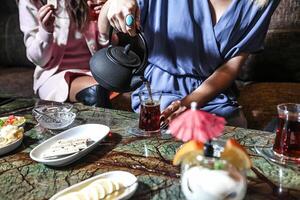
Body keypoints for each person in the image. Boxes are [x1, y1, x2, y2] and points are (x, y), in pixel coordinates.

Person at [98, 0, 280, 127]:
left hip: (211, 97)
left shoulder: (261, 2)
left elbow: (231, 67)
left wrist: (189, 102)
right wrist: (114, 3)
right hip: (159, 93)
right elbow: (103, 26)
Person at [18, 0, 114, 107]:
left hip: (96, 71)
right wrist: (45, 32)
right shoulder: (30, 2)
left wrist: (103, 21)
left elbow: (105, 51)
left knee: (129, 90)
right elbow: (39, 60)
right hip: (54, 76)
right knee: (96, 91)